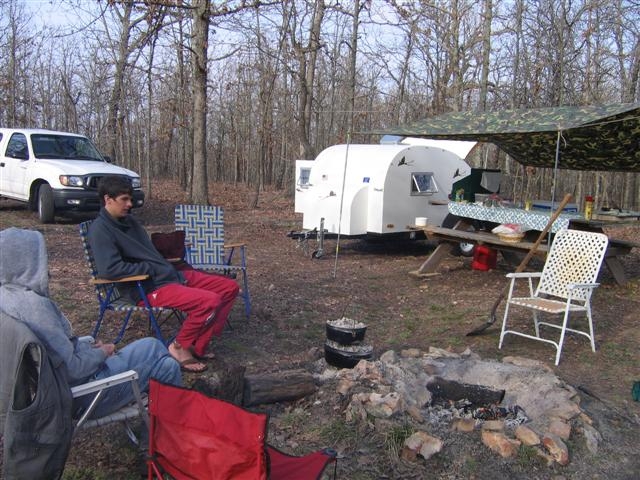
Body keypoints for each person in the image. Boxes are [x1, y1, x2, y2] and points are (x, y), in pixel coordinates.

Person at [0, 227, 182, 419]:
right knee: (156, 351)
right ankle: (170, 435)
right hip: (83, 394)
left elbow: (58, 354)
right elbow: (73, 370)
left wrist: (87, 346)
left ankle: (161, 436)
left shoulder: (8, 299)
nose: (46, 263)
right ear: (25, 261)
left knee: (166, 365)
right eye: (41, 256)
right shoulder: (35, 309)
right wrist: (102, 352)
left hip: (50, 391)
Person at [87, 175, 239, 373]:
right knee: (209, 301)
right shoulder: (101, 230)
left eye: (130, 199)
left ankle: (197, 344)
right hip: (145, 287)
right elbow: (110, 269)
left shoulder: (129, 222)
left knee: (229, 288)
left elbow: (147, 252)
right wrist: (148, 269)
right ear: (108, 199)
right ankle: (179, 347)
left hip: (168, 275)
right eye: (124, 199)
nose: (130, 204)